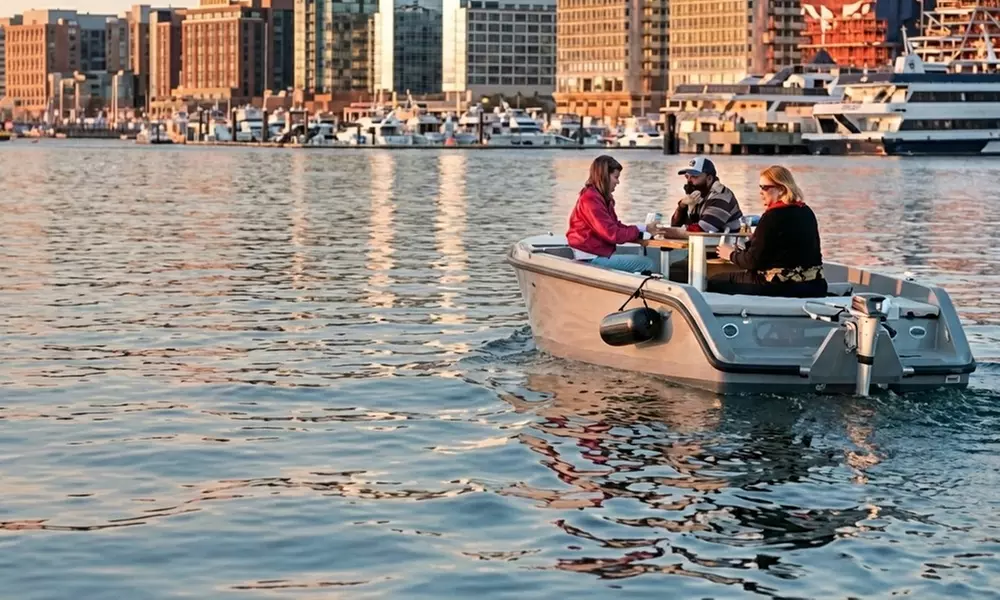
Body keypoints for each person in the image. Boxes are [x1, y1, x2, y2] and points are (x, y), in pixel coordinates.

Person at [712, 165, 827, 297]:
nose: (761, 192)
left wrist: (730, 254)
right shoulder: (806, 211)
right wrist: (754, 241)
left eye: (765, 188)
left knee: (715, 281)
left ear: (782, 189)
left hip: (780, 286)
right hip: (814, 285)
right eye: (760, 187)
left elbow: (752, 262)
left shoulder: (772, 216)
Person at [566, 155, 662, 273]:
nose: (618, 182)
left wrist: (645, 228)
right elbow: (612, 234)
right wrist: (638, 231)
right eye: (616, 177)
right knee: (648, 264)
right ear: (604, 176)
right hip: (589, 258)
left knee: (643, 263)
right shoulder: (590, 199)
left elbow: (615, 226)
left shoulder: (601, 198)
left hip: (596, 254)